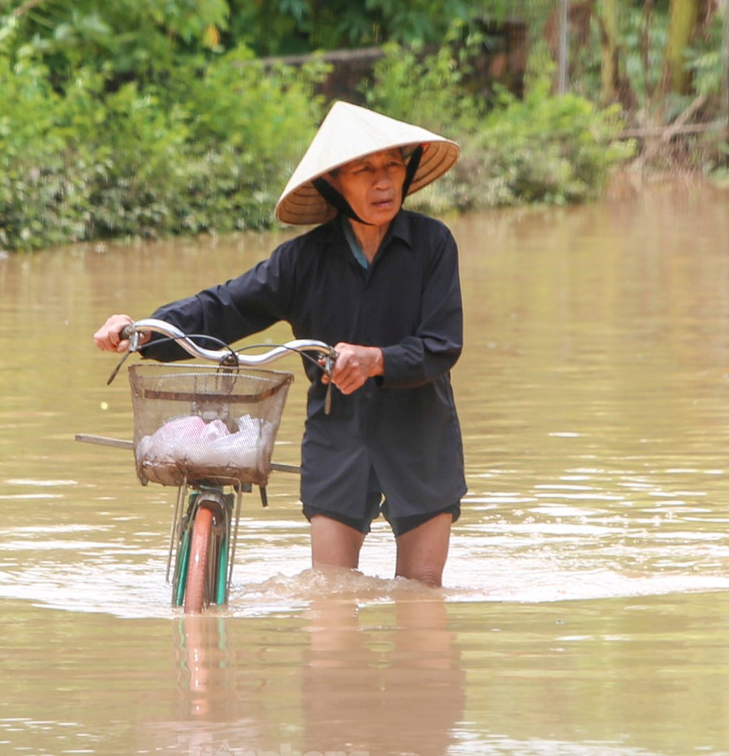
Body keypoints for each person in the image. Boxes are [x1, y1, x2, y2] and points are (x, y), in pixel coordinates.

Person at [93, 101, 466, 586]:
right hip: (340, 437)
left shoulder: (433, 245)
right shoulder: (301, 262)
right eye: (365, 170)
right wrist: (143, 331)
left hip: (421, 437)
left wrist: (376, 361)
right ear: (335, 183)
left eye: (392, 166)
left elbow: (442, 344)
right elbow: (222, 307)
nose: (383, 181)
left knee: (420, 603)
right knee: (330, 604)